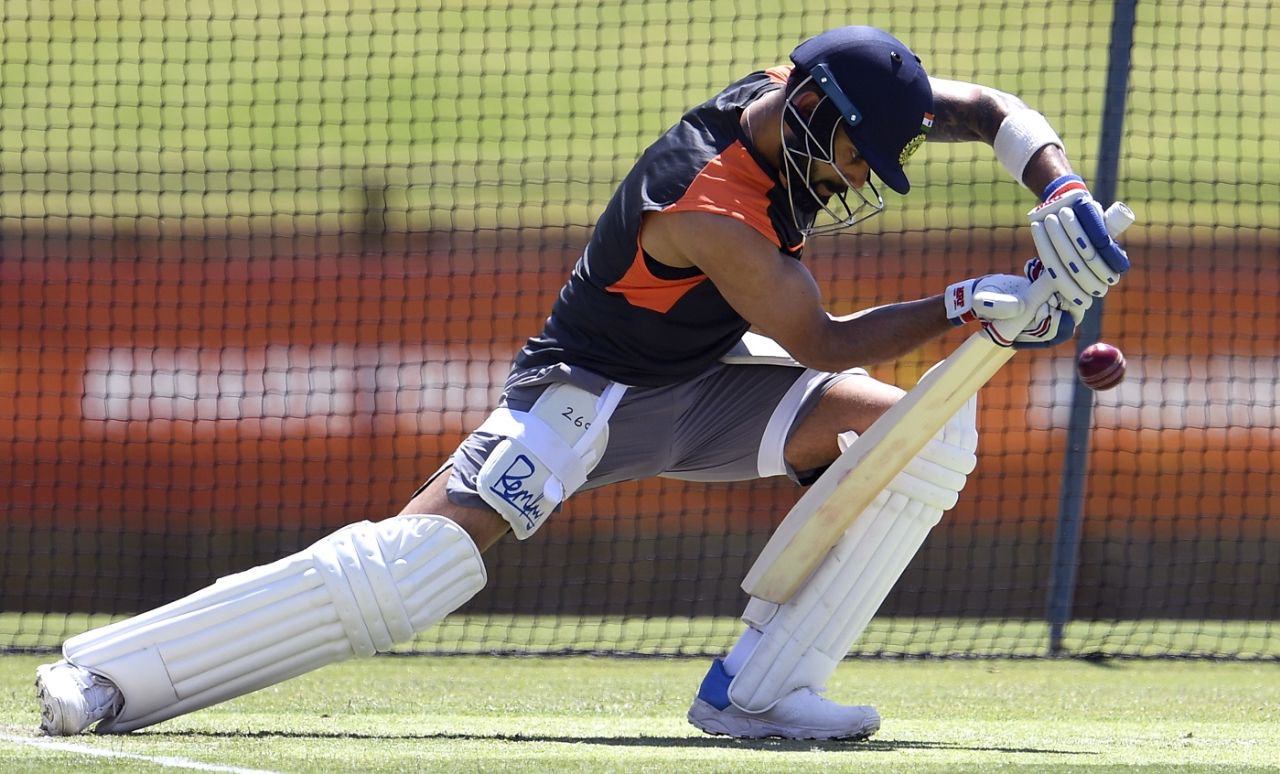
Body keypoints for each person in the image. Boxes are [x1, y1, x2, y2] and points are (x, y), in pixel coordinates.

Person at [35, 25, 1128, 741]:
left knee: (928, 436)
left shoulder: (800, 94)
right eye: (854, 161)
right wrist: (968, 303)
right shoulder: (705, 204)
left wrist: (1060, 189)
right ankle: (111, 675)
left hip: (704, 382)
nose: (853, 185)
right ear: (810, 118)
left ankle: (757, 694)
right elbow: (828, 340)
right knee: (416, 572)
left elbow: (982, 109)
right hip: (588, 401)